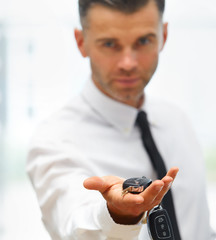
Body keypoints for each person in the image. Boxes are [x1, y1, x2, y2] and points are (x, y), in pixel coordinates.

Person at [26, 0, 216, 239]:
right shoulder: (54, 139)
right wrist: (118, 214)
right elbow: (73, 223)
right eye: (110, 44)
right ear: (81, 42)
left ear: (164, 36)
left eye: (144, 41)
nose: (128, 63)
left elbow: (198, 227)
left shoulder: (177, 121)